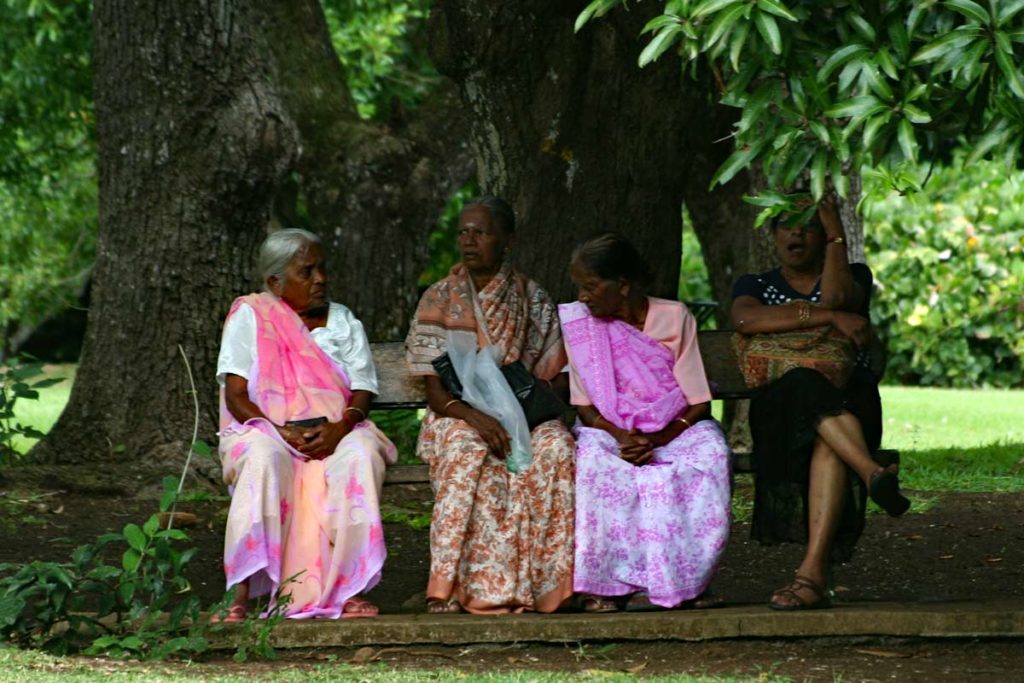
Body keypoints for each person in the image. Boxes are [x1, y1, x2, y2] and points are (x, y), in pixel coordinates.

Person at [731, 196, 910, 611]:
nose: (797, 233)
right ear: (773, 235)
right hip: (782, 410)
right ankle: (871, 472)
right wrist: (828, 320)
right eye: (788, 226)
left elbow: (835, 297)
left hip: (849, 400)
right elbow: (745, 321)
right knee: (806, 387)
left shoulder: (854, 276)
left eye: (809, 226)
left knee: (827, 432)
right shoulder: (753, 284)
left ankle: (809, 577)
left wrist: (836, 234)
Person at [215, 229, 397, 621]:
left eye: (322, 269)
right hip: (267, 431)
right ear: (276, 282)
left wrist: (341, 428)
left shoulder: (343, 320)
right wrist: (280, 433)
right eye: (307, 271)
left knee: (360, 455)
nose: (321, 279)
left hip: (337, 430)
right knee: (262, 458)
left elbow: (363, 390)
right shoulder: (251, 316)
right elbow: (236, 395)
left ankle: (349, 587)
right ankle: (239, 593)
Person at [405, 196, 575, 614]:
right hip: (455, 414)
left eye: (480, 232)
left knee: (557, 447)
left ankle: (548, 588)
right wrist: (476, 417)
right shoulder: (439, 298)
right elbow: (434, 390)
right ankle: (456, 588)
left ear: (506, 241)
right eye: (463, 231)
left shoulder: (531, 297)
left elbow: (555, 375)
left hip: (522, 416)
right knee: (468, 450)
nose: (468, 240)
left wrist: (517, 417)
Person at [560, 233, 732, 612]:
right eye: (579, 287)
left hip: (676, 429)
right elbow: (586, 408)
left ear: (622, 286)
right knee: (592, 463)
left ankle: (682, 581)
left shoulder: (673, 317)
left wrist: (657, 442)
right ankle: (608, 587)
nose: (583, 297)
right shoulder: (580, 326)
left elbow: (698, 401)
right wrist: (624, 437)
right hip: (610, 432)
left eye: (590, 286)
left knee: (710, 456)